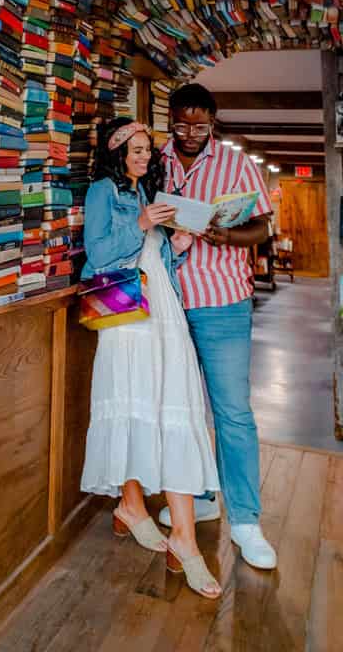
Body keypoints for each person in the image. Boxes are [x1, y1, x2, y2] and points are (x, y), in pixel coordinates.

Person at [80, 117, 222, 599]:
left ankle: (174, 532)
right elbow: (98, 254)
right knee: (134, 403)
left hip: (162, 306)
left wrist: (176, 247)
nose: (144, 157)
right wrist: (141, 225)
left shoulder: (147, 194)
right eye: (135, 150)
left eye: (147, 150)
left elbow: (153, 258)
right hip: (125, 312)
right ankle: (135, 507)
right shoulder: (102, 191)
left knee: (171, 404)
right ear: (117, 153)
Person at [158, 82, 277, 571]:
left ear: (214, 122)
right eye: (181, 124)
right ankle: (202, 496)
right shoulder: (154, 159)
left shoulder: (237, 165)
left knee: (232, 412)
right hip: (166, 302)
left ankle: (246, 520)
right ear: (169, 119)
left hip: (223, 301)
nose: (189, 133)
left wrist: (226, 235)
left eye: (199, 125)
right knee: (181, 408)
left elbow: (264, 227)